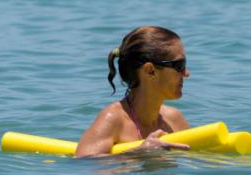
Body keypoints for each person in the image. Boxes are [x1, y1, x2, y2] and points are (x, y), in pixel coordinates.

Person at [74, 26, 192, 157]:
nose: (186, 73)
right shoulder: (114, 119)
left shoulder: (175, 120)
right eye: (179, 65)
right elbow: (82, 162)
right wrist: (139, 152)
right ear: (150, 71)